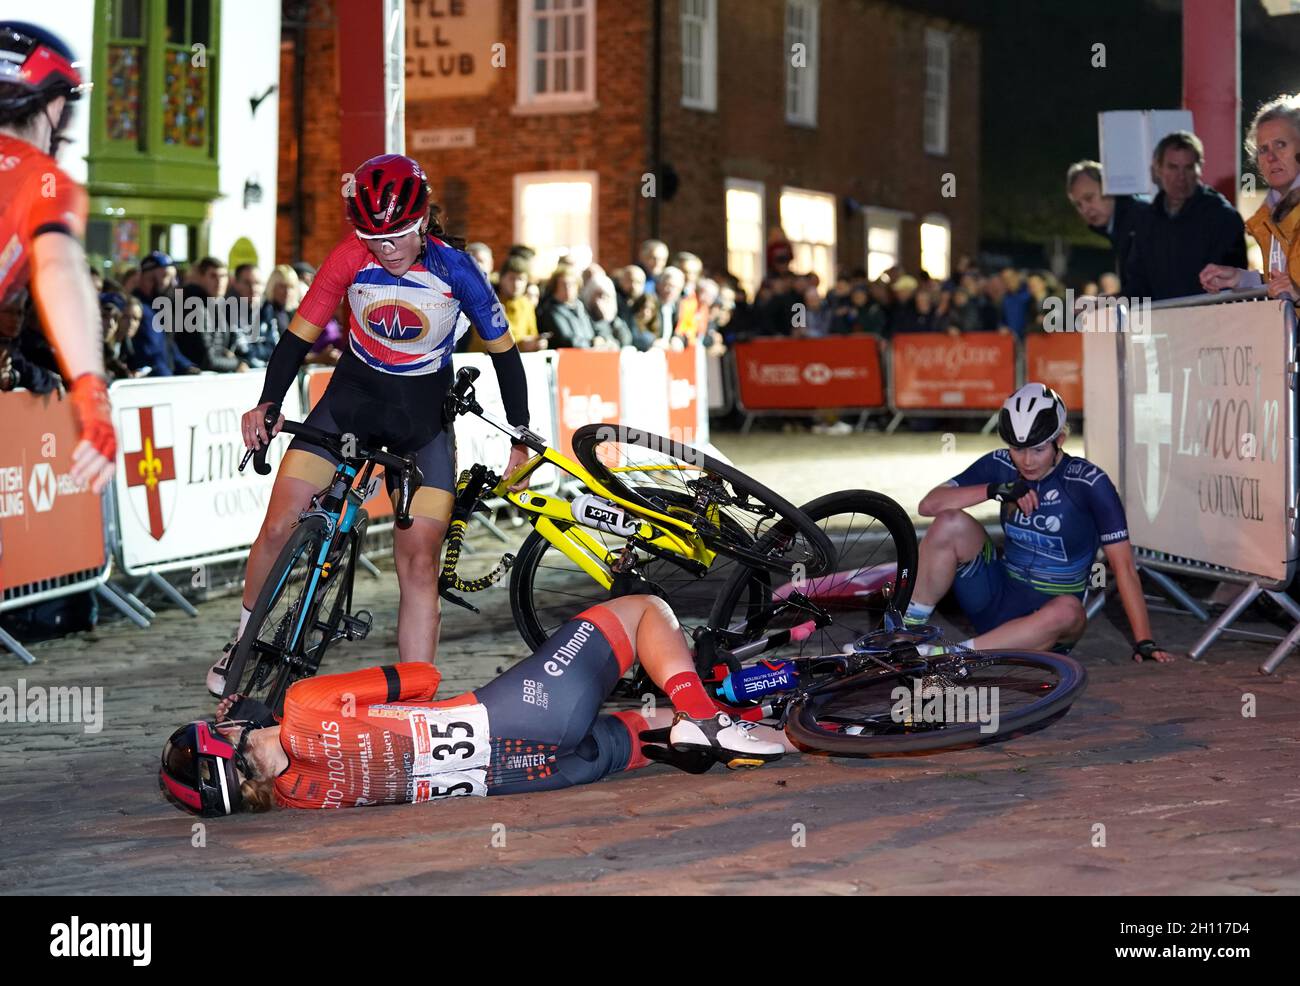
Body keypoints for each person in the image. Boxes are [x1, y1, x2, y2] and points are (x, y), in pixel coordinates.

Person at [209, 153, 532, 695]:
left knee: (419, 562)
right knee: (279, 520)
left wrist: (520, 438)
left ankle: (416, 701)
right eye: (374, 238)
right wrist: (267, 401)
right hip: (349, 403)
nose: (387, 249)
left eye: (400, 237)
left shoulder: (457, 270)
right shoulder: (349, 259)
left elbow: (507, 354)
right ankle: (242, 641)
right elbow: (296, 339)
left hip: (420, 421)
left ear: (423, 221)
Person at [164, 595, 788, 815]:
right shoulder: (302, 706)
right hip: (521, 711)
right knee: (646, 611)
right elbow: (422, 676)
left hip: (528, 779)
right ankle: (710, 719)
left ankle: (789, 726)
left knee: (661, 729)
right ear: (233, 738)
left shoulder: (302, 798)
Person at [907, 383, 1173, 663]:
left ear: (1060, 438)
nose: (1027, 461)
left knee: (1069, 610)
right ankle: (906, 634)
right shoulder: (1002, 465)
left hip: (1049, 625)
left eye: (1037, 449)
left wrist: (1144, 641)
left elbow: (1125, 568)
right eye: (1017, 449)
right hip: (994, 604)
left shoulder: (1089, 483)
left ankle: (950, 656)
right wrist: (993, 489)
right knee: (950, 521)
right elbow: (929, 505)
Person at [0, 21, 114, 492]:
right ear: (46, 101)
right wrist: (89, 387)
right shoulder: (40, 178)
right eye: (64, 106)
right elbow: (59, 267)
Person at [1125, 131, 1247, 301]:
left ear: (1200, 168)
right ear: (1158, 169)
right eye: (1173, 167)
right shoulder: (1145, 220)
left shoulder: (1223, 218)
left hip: (1209, 321)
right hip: (1158, 322)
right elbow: (1137, 283)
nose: (1181, 177)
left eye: (1188, 167)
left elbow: (1232, 286)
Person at [1200, 94, 1300, 301]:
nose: (1271, 157)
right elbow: (1282, 284)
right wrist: (1240, 279)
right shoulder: (1269, 217)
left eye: (1281, 144)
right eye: (1263, 150)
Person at [1065, 160, 1149, 292]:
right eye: (1078, 205)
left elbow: (1146, 290)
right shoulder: (1121, 225)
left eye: (1089, 198)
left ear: (1109, 188)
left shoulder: (1140, 221)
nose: (1085, 209)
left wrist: (1107, 302)